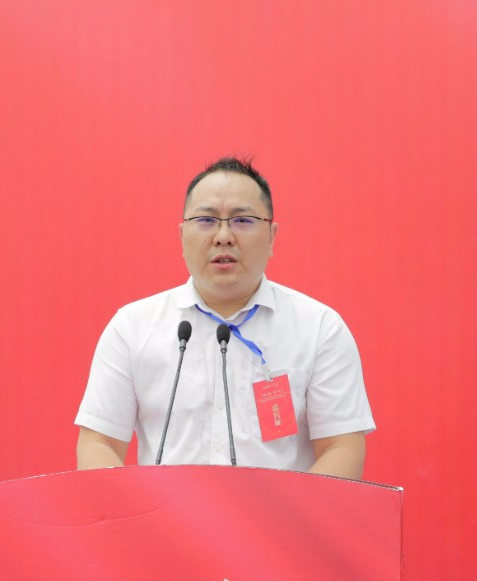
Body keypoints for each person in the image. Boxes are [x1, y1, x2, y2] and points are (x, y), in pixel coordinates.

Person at [75, 157, 375, 479]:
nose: (223, 236)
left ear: (272, 236)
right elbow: (99, 442)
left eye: (242, 220)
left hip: (280, 514)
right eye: (206, 220)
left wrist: (290, 514)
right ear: (182, 236)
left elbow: (341, 448)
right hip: (164, 514)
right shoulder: (132, 327)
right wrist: (140, 511)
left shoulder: (319, 329)